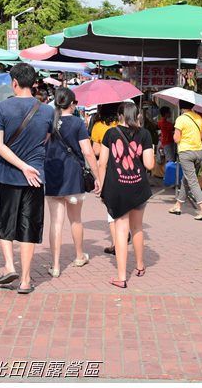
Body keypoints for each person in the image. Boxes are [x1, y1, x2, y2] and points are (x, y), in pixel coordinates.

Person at [0, 63, 55, 294]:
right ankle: (26, 280)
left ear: (14, 83)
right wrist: (29, 165)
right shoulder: (47, 111)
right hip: (36, 176)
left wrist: (20, 165)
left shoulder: (2, 109)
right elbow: (46, 139)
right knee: (29, 226)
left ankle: (9, 264)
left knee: (5, 222)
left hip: (8, 174)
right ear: (34, 82)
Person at [44, 87, 102, 277]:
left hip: (52, 173)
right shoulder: (78, 123)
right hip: (73, 174)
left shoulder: (49, 121)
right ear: (72, 104)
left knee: (55, 222)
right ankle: (79, 256)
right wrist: (97, 175)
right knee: (75, 219)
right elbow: (87, 151)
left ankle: (55, 265)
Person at [98, 102, 155, 288]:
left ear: (119, 115)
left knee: (121, 231)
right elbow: (150, 165)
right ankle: (139, 266)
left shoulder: (110, 133)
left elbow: (102, 163)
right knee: (137, 227)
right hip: (139, 187)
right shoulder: (144, 134)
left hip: (118, 188)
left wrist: (100, 185)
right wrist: (148, 148)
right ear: (137, 115)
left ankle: (121, 277)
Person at [170, 100, 202, 220]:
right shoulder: (198, 117)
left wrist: (174, 135)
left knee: (191, 181)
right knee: (186, 180)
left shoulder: (181, 119)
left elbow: (177, 139)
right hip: (199, 152)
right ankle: (178, 205)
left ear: (181, 107)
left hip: (186, 152)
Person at [89, 103, 121, 254]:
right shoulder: (122, 123)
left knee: (110, 205)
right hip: (125, 167)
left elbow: (95, 150)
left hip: (108, 168)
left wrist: (106, 147)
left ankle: (116, 243)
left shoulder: (98, 126)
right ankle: (123, 229)